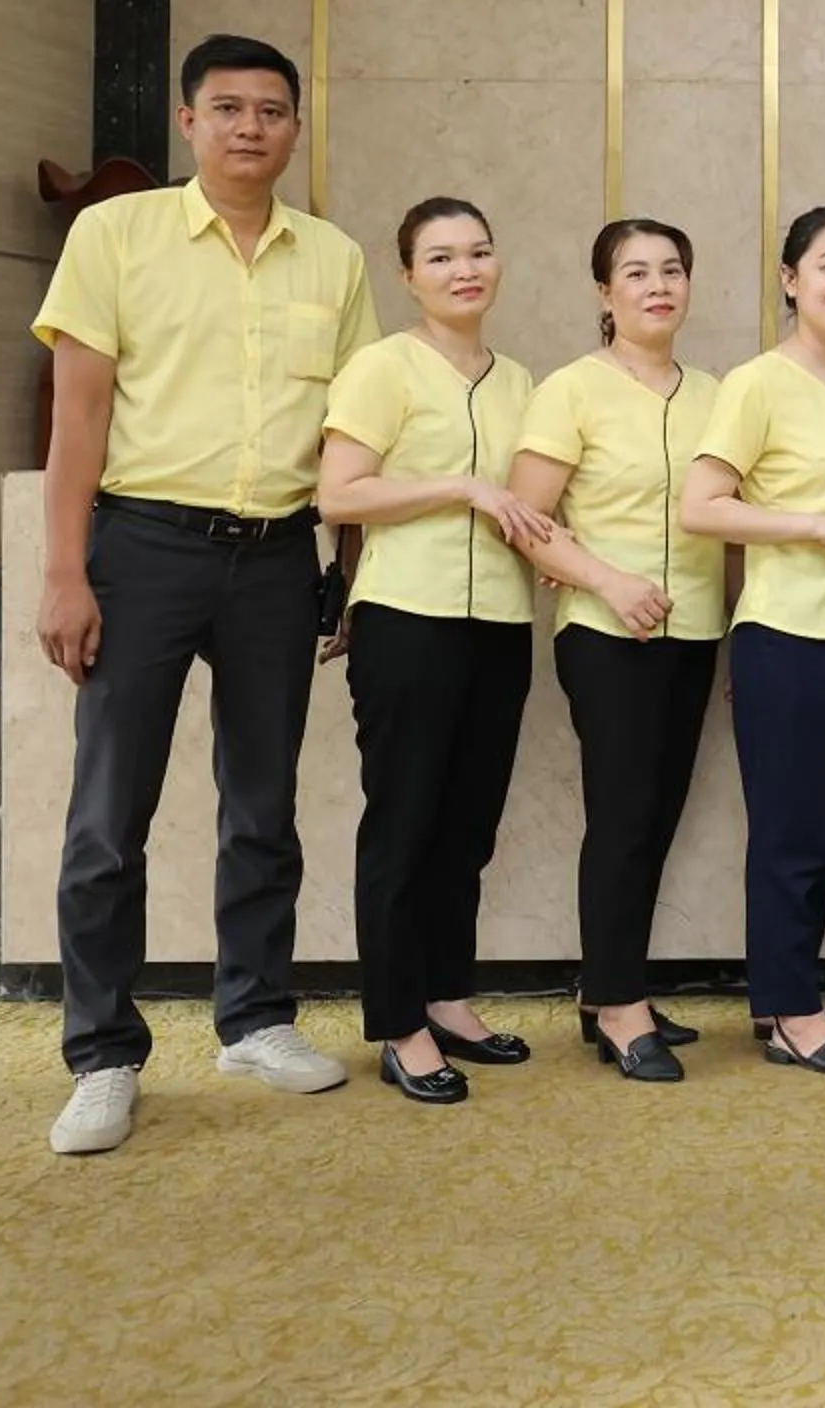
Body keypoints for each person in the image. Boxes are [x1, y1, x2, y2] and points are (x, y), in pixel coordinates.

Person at [32, 33, 377, 1156]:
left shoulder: (333, 257)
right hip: (143, 547)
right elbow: (77, 416)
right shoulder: (113, 233)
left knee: (262, 802)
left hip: (278, 555)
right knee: (106, 816)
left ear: (294, 128)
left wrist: (348, 574)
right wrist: (64, 569)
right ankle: (103, 1052)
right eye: (225, 107)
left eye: (271, 110)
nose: (249, 126)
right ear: (186, 121)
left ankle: (257, 1016)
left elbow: (356, 432)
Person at [318, 198, 552, 1105]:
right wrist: (461, 486)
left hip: (498, 621)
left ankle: (449, 997)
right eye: (443, 257)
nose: (466, 270)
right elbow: (338, 495)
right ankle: (398, 1021)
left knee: (468, 826)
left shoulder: (520, 381)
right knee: (405, 824)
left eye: (480, 252)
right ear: (409, 275)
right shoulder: (382, 367)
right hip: (407, 620)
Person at [685, 207, 825, 1078]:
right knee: (789, 831)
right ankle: (787, 1010)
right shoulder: (756, 383)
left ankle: (794, 990)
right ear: (790, 279)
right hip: (785, 635)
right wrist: (814, 526)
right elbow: (703, 507)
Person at [509, 219, 728, 1083]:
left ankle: (614, 987)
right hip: (607, 635)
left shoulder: (717, 393)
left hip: (697, 628)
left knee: (658, 817)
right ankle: (617, 1003)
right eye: (635, 273)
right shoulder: (571, 390)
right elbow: (529, 522)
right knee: (624, 817)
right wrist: (606, 581)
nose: (657, 286)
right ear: (605, 292)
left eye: (672, 269)